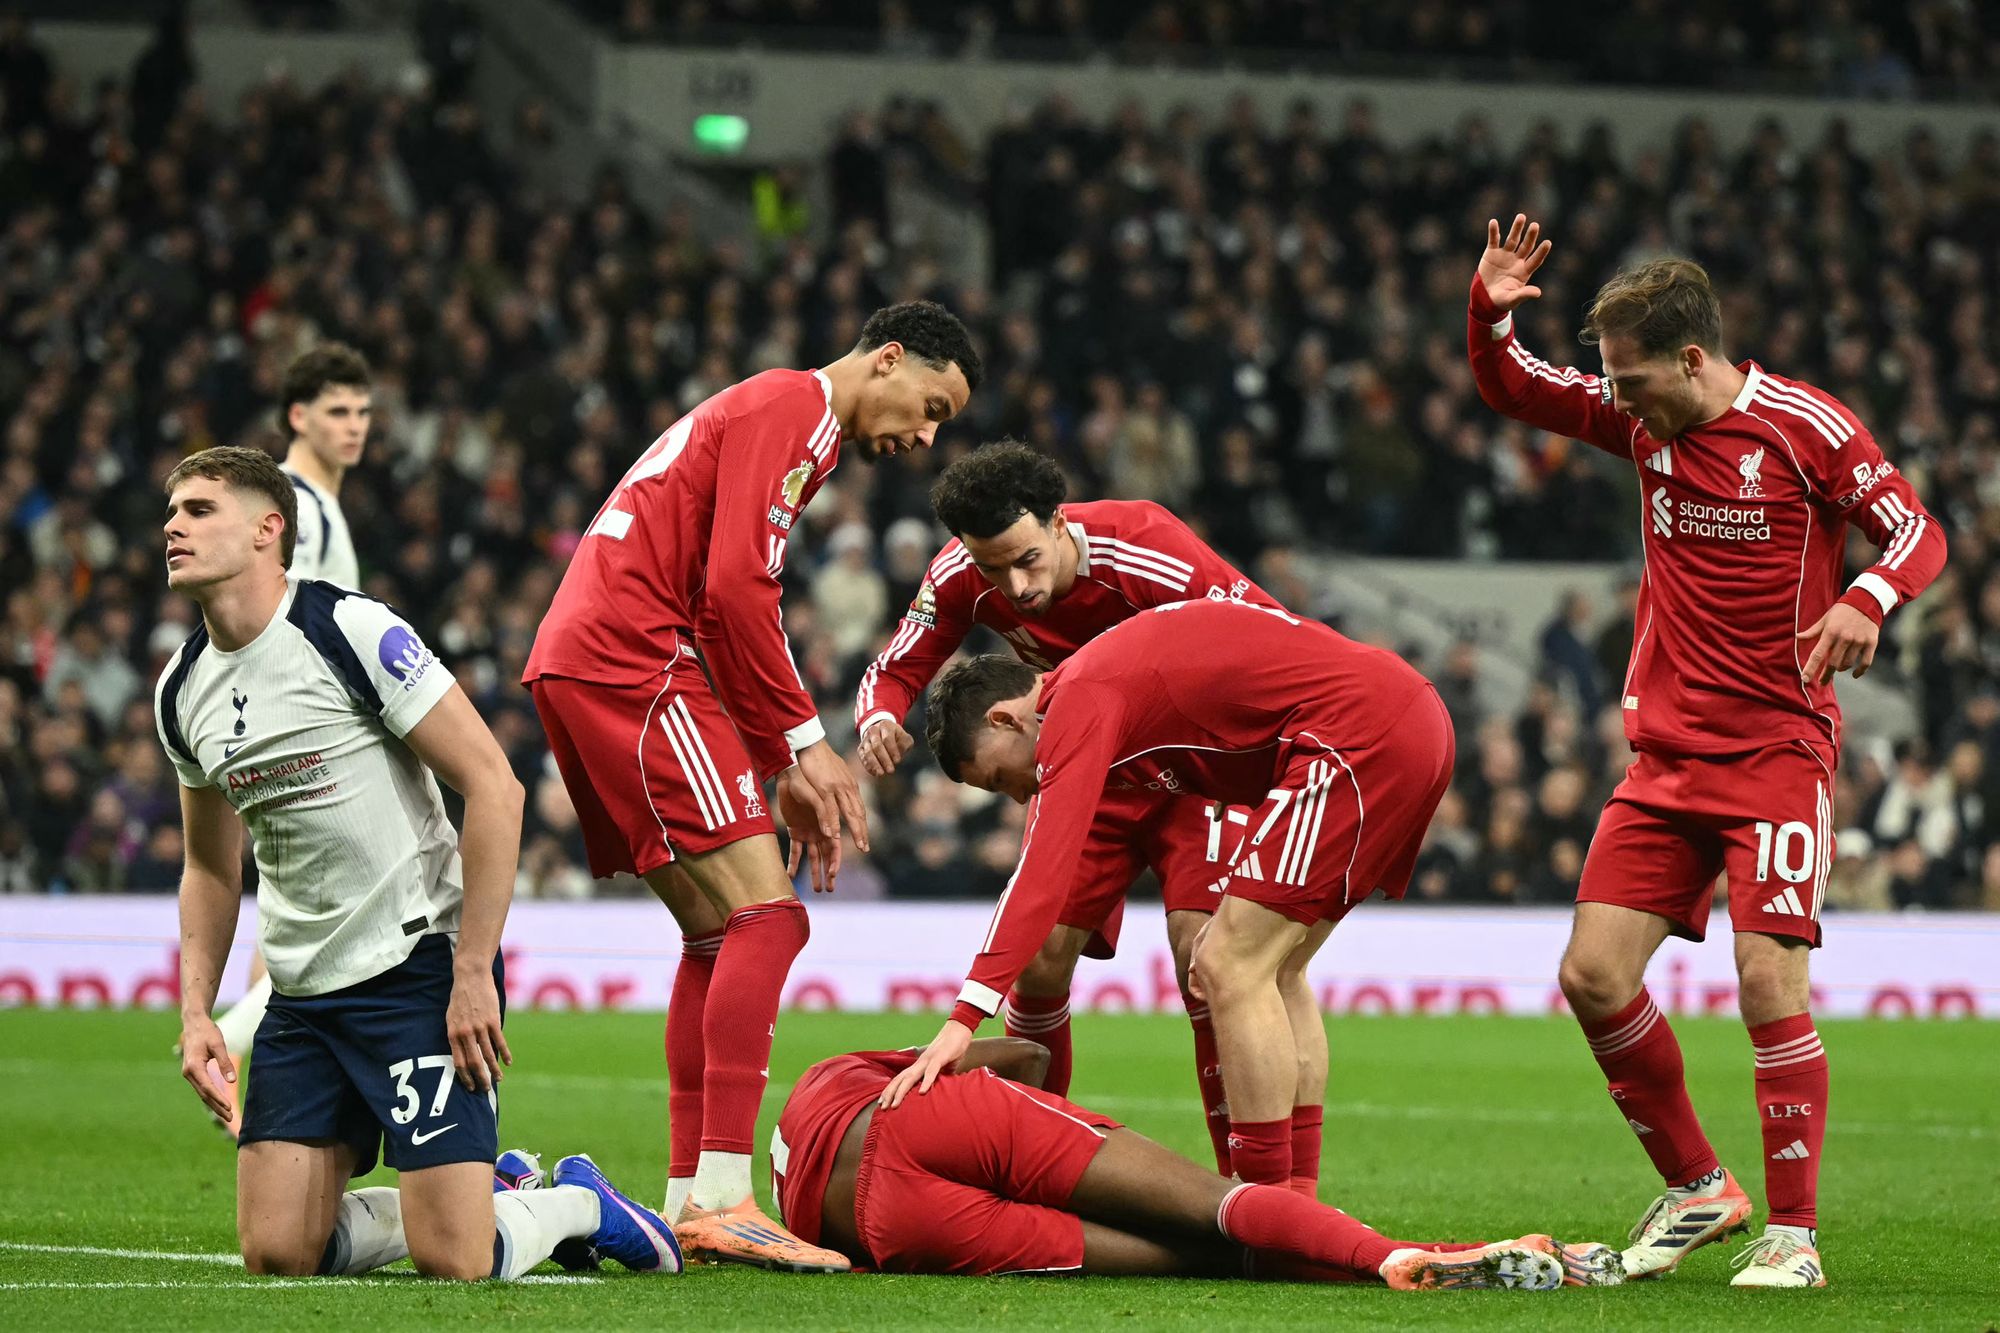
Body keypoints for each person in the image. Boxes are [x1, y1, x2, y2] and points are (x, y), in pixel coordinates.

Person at [1466, 215, 1948, 1288]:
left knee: (1766, 976)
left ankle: (1793, 1236)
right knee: (1592, 975)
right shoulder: (1641, 420)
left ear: (1692, 358)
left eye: (1633, 380)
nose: (1619, 399)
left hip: (1776, 748)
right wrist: (1488, 317)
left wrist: (1869, 595)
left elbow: (1919, 530)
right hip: (1665, 759)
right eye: (1612, 381)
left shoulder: (1804, 426)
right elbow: (1517, 391)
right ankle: (1697, 1185)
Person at [523, 300, 980, 1270]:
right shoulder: (795, 410)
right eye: (932, 406)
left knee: (714, 928)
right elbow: (733, 590)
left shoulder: (769, 414)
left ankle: (686, 1196)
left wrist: (775, 759)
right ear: (888, 358)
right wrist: (804, 746)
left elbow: (716, 598)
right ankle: (724, 1191)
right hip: (634, 657)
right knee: (770, 918)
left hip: (588, 656)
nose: (926, 437)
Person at [160, 447, 675, 1280]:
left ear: (267, 529)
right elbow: (210, 869)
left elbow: (494, 785)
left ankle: (583, 1203)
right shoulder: (182, 689)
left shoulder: (350, 630)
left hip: (414, 968)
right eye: (171, 511)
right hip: (303, 991)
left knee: (457, 1261)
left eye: (198, 509)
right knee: (279, 1251)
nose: (173, 526)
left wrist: (471, 970)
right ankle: (484, 1192)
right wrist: (196, 1013)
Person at [884, 596, 1453, 1200]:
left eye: (1000, 778)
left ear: (1005, 719)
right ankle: (1293, 1200)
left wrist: (965, 1019)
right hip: (1396, 718)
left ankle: (1266, 1212)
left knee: (1228, 964)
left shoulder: (1076, 700)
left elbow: (1040, 875)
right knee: (1275, 970)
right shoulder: (1102, 680)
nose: (1019, 796)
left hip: (1354, 737)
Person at [855, 441, 1307, 1181]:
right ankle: (1035, 1162)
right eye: (994, 569)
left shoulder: (1148, 547)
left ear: (1060, 522)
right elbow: (895, 665)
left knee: (1206, 957)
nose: (1015, 586)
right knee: (1037, 960)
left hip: (1195, 768)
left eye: (1027, 560)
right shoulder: (961, 572)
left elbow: (1270, 640)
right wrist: (878, 715)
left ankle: (1250, 1188)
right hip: (1084, 771)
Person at [774, 1036, 1619, 1289]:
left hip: (890, 1225)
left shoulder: (779, 1201)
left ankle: (1420, 1263)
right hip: (927, 1116)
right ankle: (1407, 1251)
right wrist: (1051, 1125)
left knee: (1194, 1256)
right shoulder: (830, 1070)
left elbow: (818, 1251)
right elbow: (1017, 1057)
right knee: (1214, 1203)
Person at [202, 343, 373, 1133]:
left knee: (289, 924)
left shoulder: (312, 504)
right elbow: (283, 621)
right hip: (309, 739)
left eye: (362, 411)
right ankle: (229, 1047)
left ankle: (256, 1080)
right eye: (338, 411)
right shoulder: (295, 507)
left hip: (286, 731)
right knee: (332, 928)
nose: (354, 425)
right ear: (298, 416)